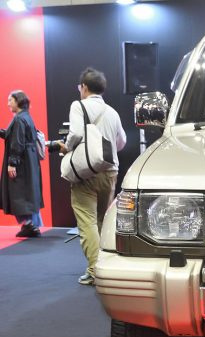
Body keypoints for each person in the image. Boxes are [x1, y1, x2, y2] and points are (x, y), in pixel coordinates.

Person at [54, 68, 126, 285]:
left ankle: (96, 271)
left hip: (86, 172)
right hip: (110, 171)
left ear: (84, 87)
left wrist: (67, 147)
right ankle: (108, 266)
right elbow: (121, 142)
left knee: (87, 221)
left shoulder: (79, 105)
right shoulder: (112, 112)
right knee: (103, 220)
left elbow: (76, 133)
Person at [0, 90, 44, 238]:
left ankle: (29, 224)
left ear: (18, 101)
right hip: (29, 161)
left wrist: (12, 163)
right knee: (28, 192)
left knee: (20, 193)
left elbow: (17, 142)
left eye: (10, 100)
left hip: (22, 163)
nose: (8, 104)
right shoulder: (26, 117)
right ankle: (32, 224)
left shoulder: (19, 119)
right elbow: (13, 136)